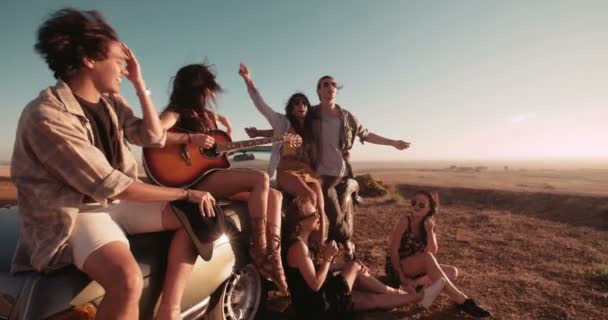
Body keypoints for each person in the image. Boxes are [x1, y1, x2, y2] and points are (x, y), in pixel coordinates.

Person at [10, 9, 217, 320]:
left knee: (202, 217)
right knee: (127, 280)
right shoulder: (46, 115)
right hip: (78, 212)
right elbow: (110, 184)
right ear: (89, 60)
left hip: (116, 202)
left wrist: (139, 82)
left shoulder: (110, 102)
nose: (124, 68)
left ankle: (169, 310)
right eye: (120, 61)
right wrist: (186, 193)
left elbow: (151, 136)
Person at [159, 63, 287, 292]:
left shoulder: (207, 116)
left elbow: (213, 156)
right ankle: (259, 250)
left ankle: (274, 257)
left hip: (211, 174)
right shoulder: (176, 111)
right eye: (207, 88)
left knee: (275, 195)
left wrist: (226, 142)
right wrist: (190, 140)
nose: (210, 93)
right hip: (193, 180)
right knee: (260, 179)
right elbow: (155, 134)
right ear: (195, 88)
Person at [283, 196, 446, 320]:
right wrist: (327, 258)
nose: (319, 215)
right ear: (301, 223)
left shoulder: (301, 243)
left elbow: (312, 272)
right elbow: (315, 284)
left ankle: (418, 297)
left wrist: (338, 265)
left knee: (371, 300)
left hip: (314, 302)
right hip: (316, 306)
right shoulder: (298, 248)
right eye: (314, 213)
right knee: (354, 267)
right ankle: (401, 292)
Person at [310, 75, 412, 257]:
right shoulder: (311, 115)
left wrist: (393, 142)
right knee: (325, 207)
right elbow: (290, 126)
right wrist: (262, 133)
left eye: (333, 85)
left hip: (337, 172)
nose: (330, 87)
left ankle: (340, 241)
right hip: (314, 170)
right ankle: (338, 240)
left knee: (326, 195)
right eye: (325, 84)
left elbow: (366, 135)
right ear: (318, 90)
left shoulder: (347, 117)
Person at [238, 63, 326, 246]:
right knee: (310, 195)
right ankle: (300, 242)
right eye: (296, 103)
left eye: (303, 103)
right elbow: (260, 104)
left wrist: (260, 133)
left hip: (307, 171)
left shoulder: (312, 127)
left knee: (321, 206)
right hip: (285, 170)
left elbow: (274, 135)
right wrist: (248, 81)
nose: (300, 105)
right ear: (291, 108)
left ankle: (320, 247)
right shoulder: (281, 121)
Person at [385, 190, 492, 318]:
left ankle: (417, 284)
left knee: (453, 272)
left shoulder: (428, 224)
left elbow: (432, 251)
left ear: (430, 208)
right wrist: (401, 276)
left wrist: (430, 230)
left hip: (418, 270)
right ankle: (462, 300)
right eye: (414, 202)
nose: (416, 206)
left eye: (421, 205)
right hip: (398, 266)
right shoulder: (404, 221)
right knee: (427, 258)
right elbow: (393, 250)